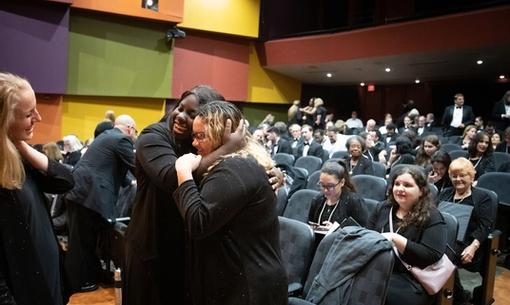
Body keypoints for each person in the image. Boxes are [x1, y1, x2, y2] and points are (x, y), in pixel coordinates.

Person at [174, 101, 287, 305]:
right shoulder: (236, 164)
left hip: (248, 287)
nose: (194, 143)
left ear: (221, 134)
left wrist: (183, 172)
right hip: (241, 280)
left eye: (201, 136)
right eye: (194, 136)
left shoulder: (234, 168)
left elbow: (198, 223)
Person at [0, 72, 74, 305]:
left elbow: (66, 180)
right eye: (29, 114)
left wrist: (19, 143)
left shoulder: (19, 158)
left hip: (46, 276)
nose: (39, 118)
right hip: (25, 289)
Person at [64, 114, 137, 292]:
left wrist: (131, 183)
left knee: (82, 241)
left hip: (81, 192)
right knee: (83, 243)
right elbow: (137, 167)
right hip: (90, 195)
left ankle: (87, 277)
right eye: (135, 132)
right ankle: (80, 282)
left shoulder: (107, 137)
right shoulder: (122, 140)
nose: (135, 137)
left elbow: (116, 170)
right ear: (130, 129)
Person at [367, 166, 447, 305]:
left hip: (412, 277)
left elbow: (431, 255)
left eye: (407, 185)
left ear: (421, 191)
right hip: (379, 269)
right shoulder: (383, 208)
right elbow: (367, 237)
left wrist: (396, 239)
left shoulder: (432, 216)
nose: (400, 189)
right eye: (397, 184)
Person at [438, 158, 496, 305]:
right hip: (444, 238)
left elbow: (485, 226)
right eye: (454, 175)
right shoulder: (445, 193)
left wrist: (473, 246)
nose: (458, 179)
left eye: (462, 175)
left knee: (443, 255)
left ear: (471, 176)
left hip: (468, 244)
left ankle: (458, 299)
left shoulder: (482, 197)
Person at [308, 161, 368, 230]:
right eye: (322, 185)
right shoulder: (317, 199)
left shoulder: (354, 202)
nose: (325, 190)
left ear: (342, 182)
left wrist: (337, 229)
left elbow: (362, 232)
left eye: (330, 186)